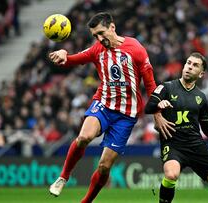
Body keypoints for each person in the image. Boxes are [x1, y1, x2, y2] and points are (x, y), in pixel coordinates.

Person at [48, 12, 157, 202]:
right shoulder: (97, 49)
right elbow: (72, 60)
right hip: (103, 105)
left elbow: (150, 84)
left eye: (101, 33)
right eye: (95, 36)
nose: (99, 39)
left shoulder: (135, 49)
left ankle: (86, 201)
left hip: (126, 115)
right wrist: (64, 54)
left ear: (112, 27)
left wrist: (157, 112)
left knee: (104, 167)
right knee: (84, 137)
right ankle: (63, 177)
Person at [145, 52, 208, 203]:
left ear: (201, 74)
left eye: (195, 65)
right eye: (188, 63)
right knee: (171, 175)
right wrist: (158, 105)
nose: (189, 67)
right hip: (173, 143)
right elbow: (148, 107)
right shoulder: (166, 87)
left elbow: (206, 126)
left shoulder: (201, 97)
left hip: (196, 144)